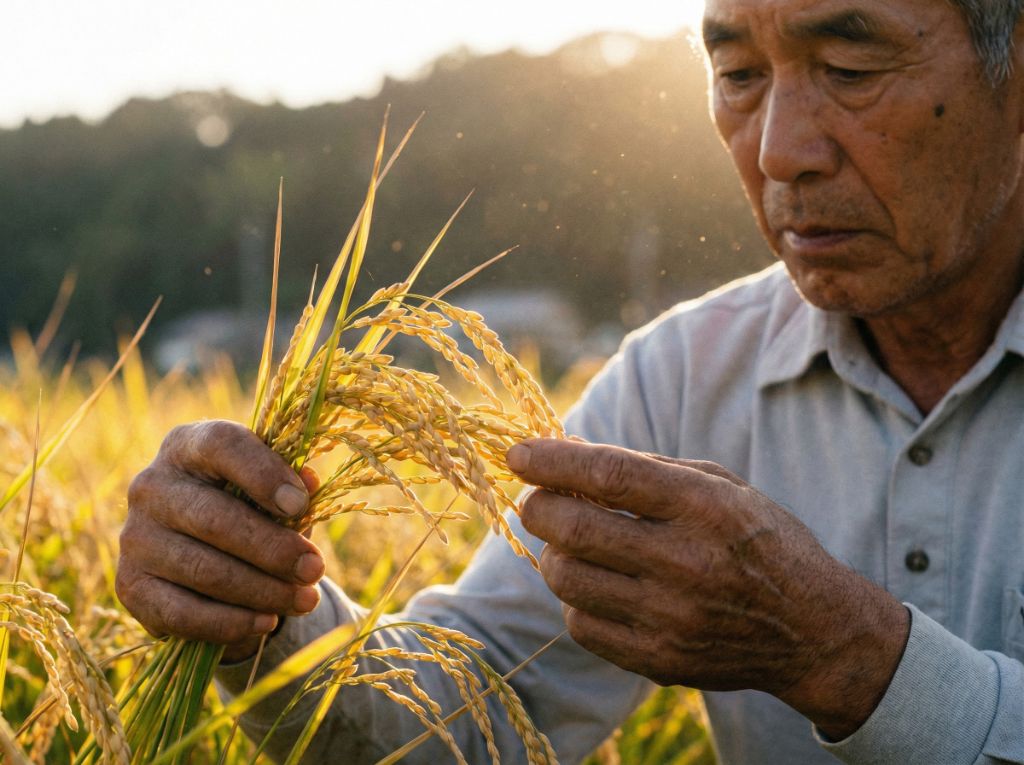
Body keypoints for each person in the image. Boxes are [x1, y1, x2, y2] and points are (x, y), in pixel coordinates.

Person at [116, 0, 1024, 762]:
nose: (780, 150)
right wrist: (261, 609)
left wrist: (847, 657)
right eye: (739, 75)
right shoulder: (682, 377)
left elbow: (845, 654)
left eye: (852, 69)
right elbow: (475, 712)